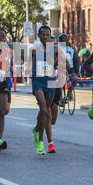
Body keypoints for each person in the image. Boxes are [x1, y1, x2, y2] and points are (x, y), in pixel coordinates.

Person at [27, 26, 64, 155]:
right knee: (43, 109)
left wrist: (57, 64)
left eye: (48, 35)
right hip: (38, 82)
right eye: (43, 35)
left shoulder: (56, 50)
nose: (45, 37)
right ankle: (41, 142)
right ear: (38, 35)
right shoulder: (33, 50)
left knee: (47, 112)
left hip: (51, 82)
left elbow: (66, 65)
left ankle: (37, 129)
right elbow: (29, 66)